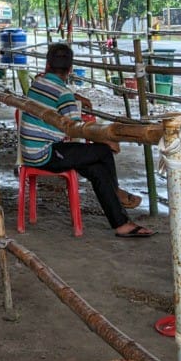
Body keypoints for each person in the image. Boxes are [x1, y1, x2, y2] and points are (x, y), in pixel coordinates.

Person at [20, 42, 154, 238]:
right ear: (71, 69)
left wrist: (76, 97)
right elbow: (76, 130)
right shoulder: (63, 94)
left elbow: (59, 97)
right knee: (103, 151)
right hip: (45, 154)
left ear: (47, 66)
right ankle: (116, 193)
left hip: (38, 150)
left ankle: (121, 224)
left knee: (98, 171)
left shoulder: (38, 83)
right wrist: (107, 139)